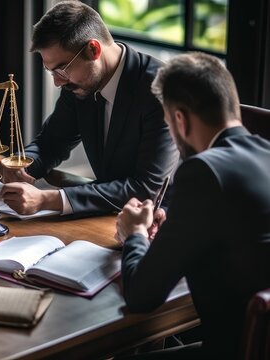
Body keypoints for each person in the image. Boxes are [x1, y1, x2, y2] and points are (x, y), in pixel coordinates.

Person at [115, 52, 270, 359]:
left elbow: (141, 296)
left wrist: (134, 233)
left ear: (180, 120)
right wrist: (174, 228)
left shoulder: (203, 170)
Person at [0, 1, 178, 217]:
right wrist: (19, 164)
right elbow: (51, 143)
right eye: (50, 71)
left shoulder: (161, 90)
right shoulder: (79, 84)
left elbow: (146, 189)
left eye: (61, 70)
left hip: (163, 221)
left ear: (93, 49)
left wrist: (48, 199)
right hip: (106, 215)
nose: (57, 82)